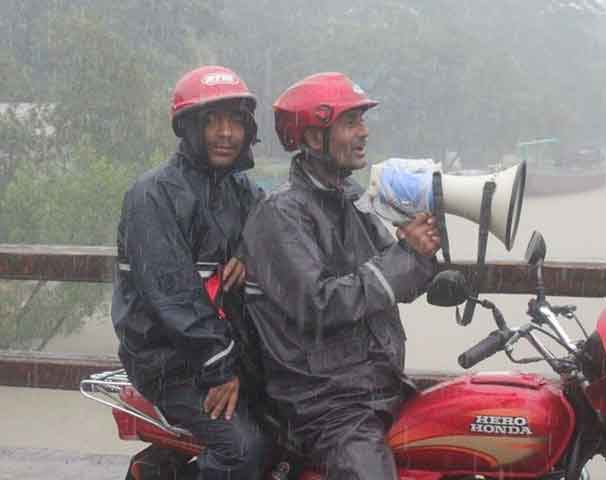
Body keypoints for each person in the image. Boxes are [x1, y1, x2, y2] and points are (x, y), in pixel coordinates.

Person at [241, 72, 441, 479]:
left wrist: (421, 254)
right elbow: (319, 304)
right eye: (351, 123)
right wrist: (404, 256)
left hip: (372, 384)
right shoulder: (281, 215)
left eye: (362, 121)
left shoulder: (351, 198)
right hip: (321, 399)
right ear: (314, 138)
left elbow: (392, 274)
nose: (363, 133)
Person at [112, 65, 268, 480]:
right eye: (211, 120)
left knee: (298, 423)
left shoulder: (246, 193)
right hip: (169, 359)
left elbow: (278, 239)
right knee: (242, 449)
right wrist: (220, 369)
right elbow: (174, 295)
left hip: (229, 350)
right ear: (188, 127)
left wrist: (253, 253)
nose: (225, 132)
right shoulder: (154, 196)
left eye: (235, 120)